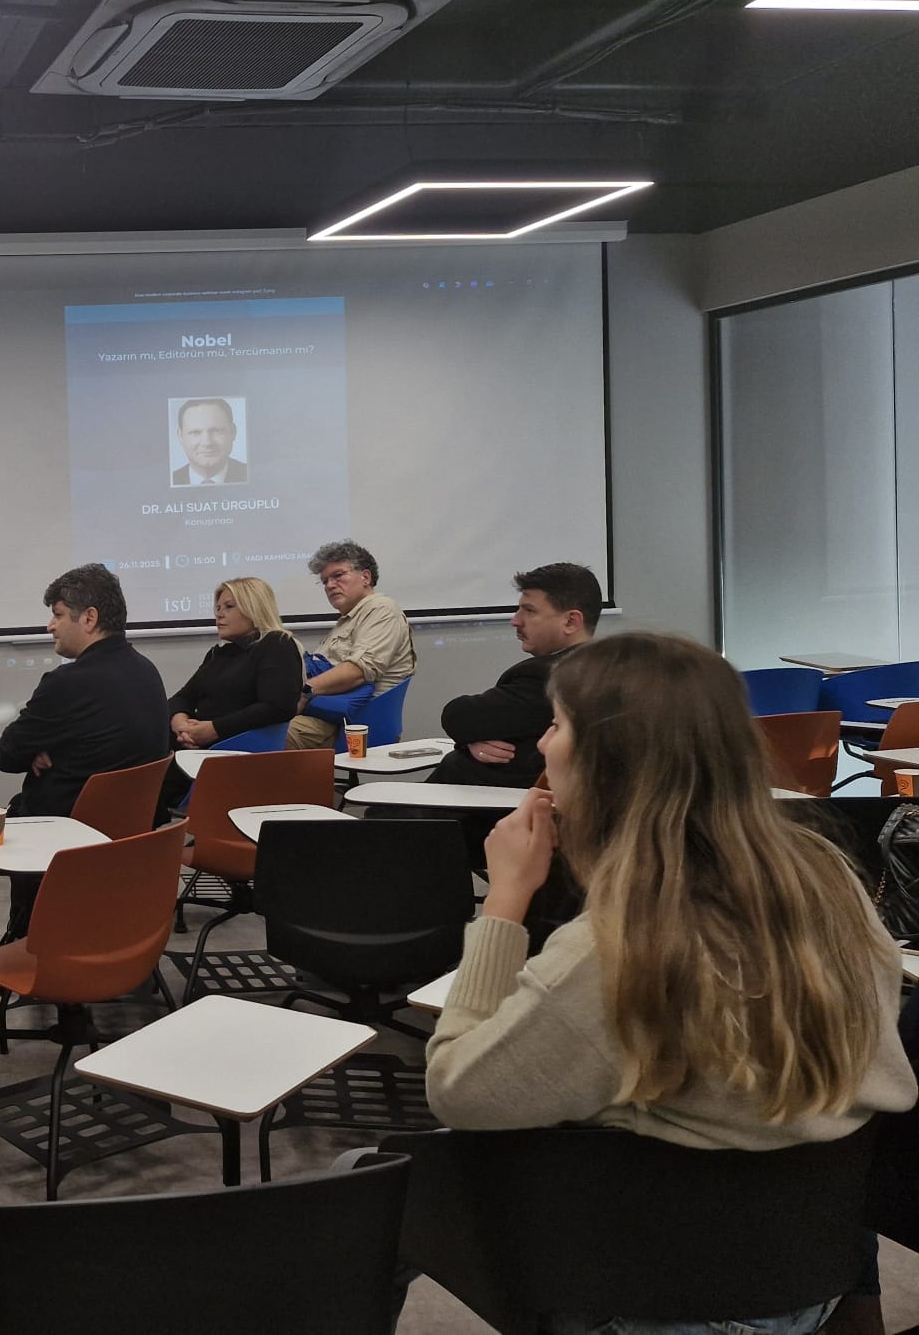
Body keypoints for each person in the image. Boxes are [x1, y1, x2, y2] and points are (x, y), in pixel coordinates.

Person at [426, 634, 916, 1335]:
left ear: (605, 759)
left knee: (409, 1187)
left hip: (679, 1297)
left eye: (557, 724)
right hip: (822, 1270)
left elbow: (458, 1091)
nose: (542, 743)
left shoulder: (616, 946)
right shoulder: (824, 873)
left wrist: (504, 899)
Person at [0, 564, 172, 936]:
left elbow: (7, 755)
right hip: (129, 842)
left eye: (58, 615)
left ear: (89, 618)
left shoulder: (67, 683)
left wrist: (36, 749)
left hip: (60, 841)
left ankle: (20, 937)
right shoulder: (146, 671)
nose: (50, 626)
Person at [431, 562, 600, 788]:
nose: (516, 620)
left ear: (571, 621)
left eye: (529, 611)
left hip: (476, 803)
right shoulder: (607, 669)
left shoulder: (547, 678)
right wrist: (471, 740)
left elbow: (459, 716)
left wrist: (470, 736)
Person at [161, 576, 304, 806]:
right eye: (217, 608)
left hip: (232, 756)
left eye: (229, 607)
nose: (219, 614)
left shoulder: (276, 644)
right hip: (196, 748)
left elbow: (279, 706)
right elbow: (182, 697)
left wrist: (214, 729)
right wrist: (180, 724)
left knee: (143, 780)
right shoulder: (219, 654)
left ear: (253, 608)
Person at [285, 540, 416, 750]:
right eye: (325, 581)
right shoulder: (348, 620)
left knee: (264, 736)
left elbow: (358, 672)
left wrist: (303, 693)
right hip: (326, 713)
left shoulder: (382, 610)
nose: (329, 585)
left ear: (365, 577)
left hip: (349, 722)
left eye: (338, 576)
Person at [170, 397, 250, 487]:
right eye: (195, 432)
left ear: (233, 432)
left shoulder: (252, 474)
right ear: (180, 436)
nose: (207, 443)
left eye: (216, 431)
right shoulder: (170, 480)